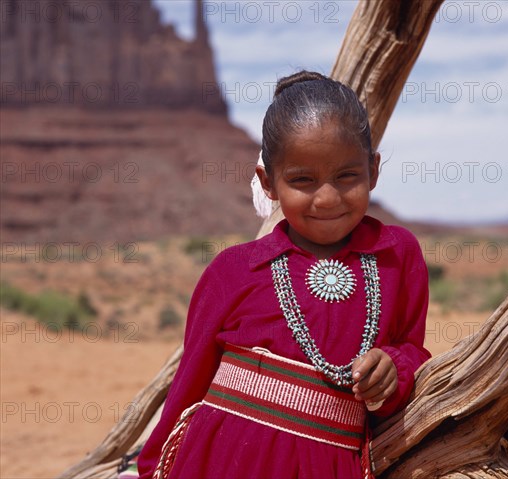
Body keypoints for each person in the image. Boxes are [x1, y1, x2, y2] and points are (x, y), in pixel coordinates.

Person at [137, 70, 431, 479]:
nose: (327, 198)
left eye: (348, 176)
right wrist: (151, 469)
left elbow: (412, 348)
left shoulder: (397, 255)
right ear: (268, 182)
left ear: (374, 170)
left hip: (330, 464)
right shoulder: (234, 270)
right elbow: (189, 384)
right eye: (302, 181)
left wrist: (393, 368)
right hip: (220, 461)